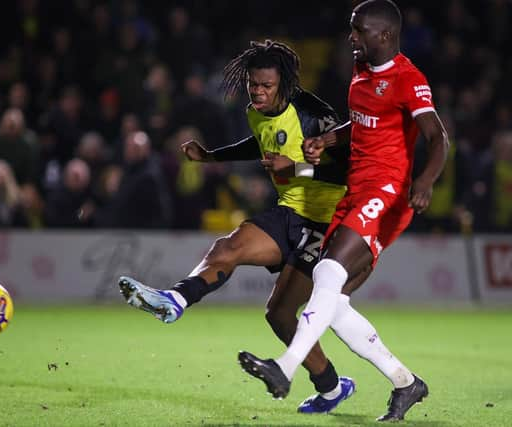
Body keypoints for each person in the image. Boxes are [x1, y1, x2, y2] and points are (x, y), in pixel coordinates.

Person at [118, 39, 408, 415]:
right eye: (253, 84)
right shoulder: (256, 111)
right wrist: (211, 156)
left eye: (266, 86)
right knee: (228, 247)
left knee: (280, 314)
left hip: (329, 221)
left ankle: (334, 386)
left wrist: (296, 169)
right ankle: (175, 300)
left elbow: (347, 166)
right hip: (288, 212)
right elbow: (259, 143)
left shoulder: (313, 114)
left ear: (284, 85)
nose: (258, 92)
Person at [238, 1, 449, 422]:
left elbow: (437, 136)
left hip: (387, 193)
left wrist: (424, 182)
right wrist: (329, 141)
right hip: (356, 190)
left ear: (384, 35)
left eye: (359, 31)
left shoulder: (409, 79)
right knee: (332, 304)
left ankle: (285, 367)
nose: (351, 38)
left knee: (328, 273)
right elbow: (363, 120)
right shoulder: (361, 71)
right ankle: (406, 382)